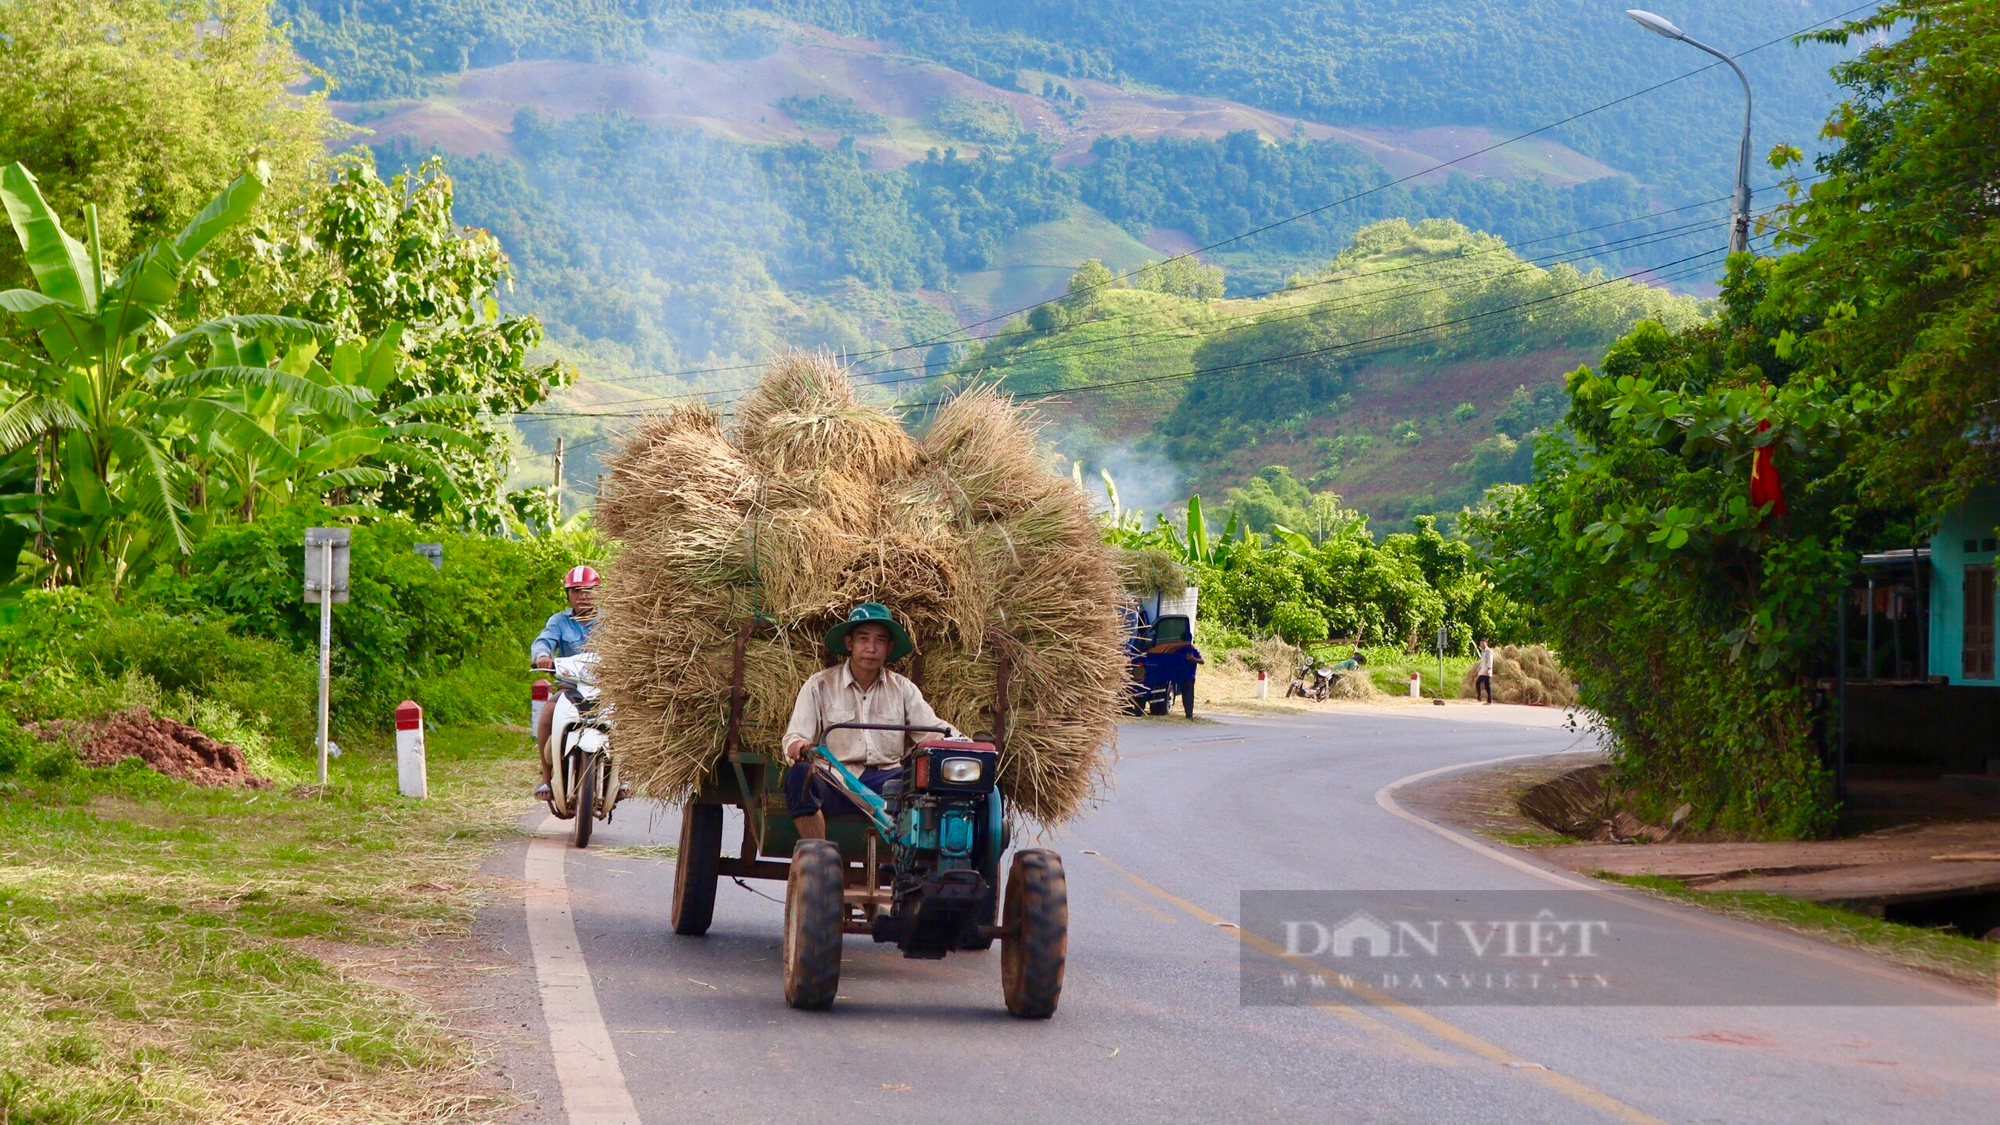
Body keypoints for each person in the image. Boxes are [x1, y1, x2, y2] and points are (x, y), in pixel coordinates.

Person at [781, 602, 963, 843]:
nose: (871, 648)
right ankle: (819, 853)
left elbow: (931, 730)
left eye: (879, 641)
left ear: (889, 648)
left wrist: (961, 743)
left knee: (929, 784)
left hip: (888, 783)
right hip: (836, 779)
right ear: (849, 644)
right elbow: (795, 736)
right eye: (863, 639)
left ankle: (911, 859)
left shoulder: (902, 689)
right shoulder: (819, 685)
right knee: (798, 776)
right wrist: (799, 746)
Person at [531, 565, 599, 800]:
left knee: (628, 718)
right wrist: (542, 657)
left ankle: (624, 774)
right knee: (548, 712)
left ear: (598, 592)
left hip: (607, 691)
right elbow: (543, 641)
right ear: (568, 594)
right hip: (570, 690)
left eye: (588, 590)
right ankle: (546, 777)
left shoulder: (613, 620)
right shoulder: (559, 621)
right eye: (576, 590)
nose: (583, 596)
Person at [1475, 638, 1495, 705]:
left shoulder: (1488, 651)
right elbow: (1481, 663)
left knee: (1478, 683)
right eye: (1481, 643)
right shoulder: (1483, 652)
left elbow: (1490, 660)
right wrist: (1477, 671)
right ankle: (1489, 700)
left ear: (1486, 643)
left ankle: (1479, 697)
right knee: (1487, 686)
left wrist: (1489, 669)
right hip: (1482, 670)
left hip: (1486, 671)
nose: (1482, 645)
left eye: (1483, 643)